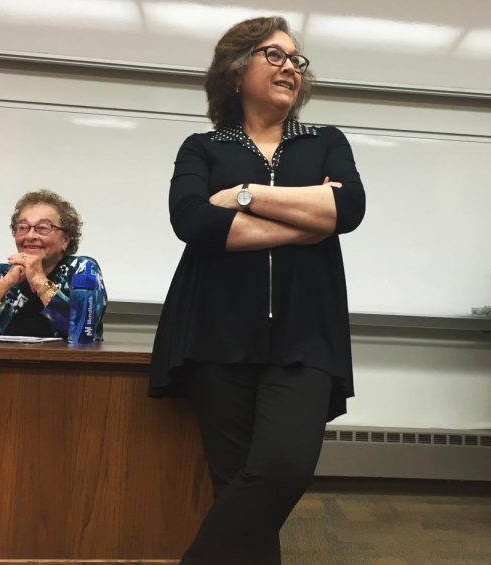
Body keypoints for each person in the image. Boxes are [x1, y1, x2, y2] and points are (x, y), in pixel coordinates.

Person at [149, 16, 365, 565]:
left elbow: (348, 209)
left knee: (283, 468)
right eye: (275, 55)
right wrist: (307, 218)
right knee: (238, 489)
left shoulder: (324, 141)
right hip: (217, 334)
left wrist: (243, 194)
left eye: (297, 60)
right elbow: (193, 222)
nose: (290, 67)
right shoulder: (203, 146)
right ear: (235, 67)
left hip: (304, 336)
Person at [0, 189, 106, 339]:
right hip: (2, 365)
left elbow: (82, 332)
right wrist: (6, 283)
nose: (30, 235)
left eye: (42, 228)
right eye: (22, 227)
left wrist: (39, 281)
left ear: (65, 239)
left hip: (68, 367)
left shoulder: (82, 269)